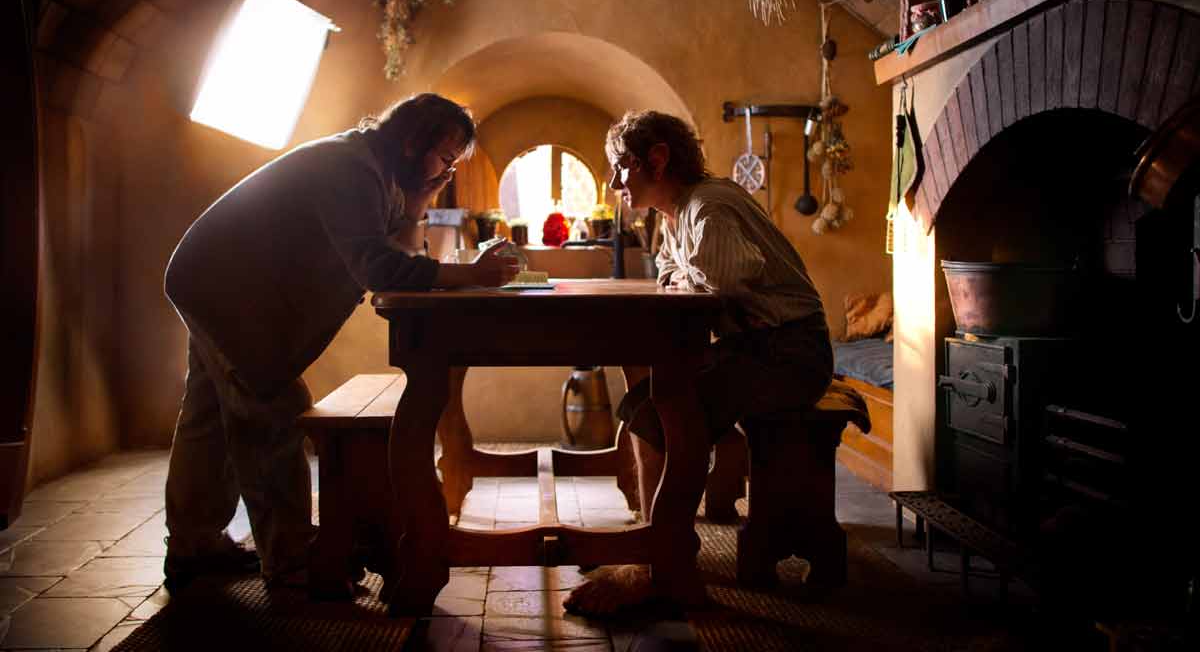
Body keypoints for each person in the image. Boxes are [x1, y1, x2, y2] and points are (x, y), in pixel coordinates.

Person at [161, 93, 519, 589]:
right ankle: (291, 559)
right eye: (445, 157)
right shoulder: (350, 167)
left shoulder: (378, 174)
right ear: (412, 142)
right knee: (271, 408)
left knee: (209, 416)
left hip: (215, 281)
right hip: (222, 286)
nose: (447, 171)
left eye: (453, 163)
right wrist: (470, 275)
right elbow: (379, 267)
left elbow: (395, 254)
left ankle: (193, 546)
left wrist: (418, 203)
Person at [565, 109, 833, 615]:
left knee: (662, 414)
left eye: (620, 167)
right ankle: (656, 540)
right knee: (646, 407)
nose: (614, 182)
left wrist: (685, 279)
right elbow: (675, 277)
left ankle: (659, 565)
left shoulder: (709, 207)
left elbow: (715, 288)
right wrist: (684, 277)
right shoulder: (677, 215)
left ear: (657, 160)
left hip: (790, 354)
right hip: (757, 348)